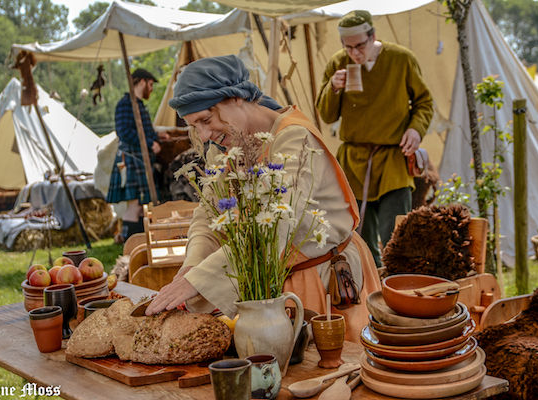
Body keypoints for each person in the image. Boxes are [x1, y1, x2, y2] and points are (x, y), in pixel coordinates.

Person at [145, 55, 381, 342]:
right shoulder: (224, 146)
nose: (205, 134)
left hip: (322, 283)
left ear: (236, 98)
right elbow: (209, 215)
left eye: (206, 119)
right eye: (195, 126)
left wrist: (199, 281)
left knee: (328, 371)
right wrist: (191, 268)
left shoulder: (294, 139)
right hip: (267, 288)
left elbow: (274, 226)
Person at [316, 10, 433, 267]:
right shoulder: (338, 64)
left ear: (373, 37)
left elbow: (424, 102)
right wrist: (333, 88)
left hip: (393, 159)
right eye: (348, 47)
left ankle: (397, 291)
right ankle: (370, 295)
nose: (355, 53)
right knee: (360, 239)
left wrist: (415, 130)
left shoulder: (401, 60)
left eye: (360, 46)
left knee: (396, 236)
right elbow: (326, 115)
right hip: (353, 162)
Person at [106, 68, 161, 241]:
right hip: (131, 158)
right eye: (150, 84)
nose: (151, 89)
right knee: (135, 204)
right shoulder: (125, 104)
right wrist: (150, 143)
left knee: (142, 204)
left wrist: (157, 137)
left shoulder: (138, 104)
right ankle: (130, 244)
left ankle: (138, 243)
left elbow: (144, 130)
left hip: (139, 158)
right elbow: (124, 132)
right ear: (142, 82)